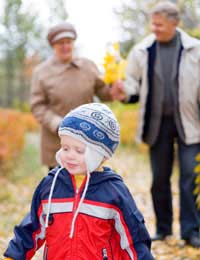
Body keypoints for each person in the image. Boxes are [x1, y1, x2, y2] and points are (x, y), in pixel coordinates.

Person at [3, 103, 154, 260]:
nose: (70, 155)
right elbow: (30, 229)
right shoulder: (50, 186)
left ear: (101, 154)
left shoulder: (114, 191)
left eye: (79, 150)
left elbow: (134, 240)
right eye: (65, 148)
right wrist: (14, 256)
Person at [111, 1, 200, 248]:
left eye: (159, 24)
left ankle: (192, 231)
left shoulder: (195, 50)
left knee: (190, 177)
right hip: (156, 124)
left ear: (175, 23)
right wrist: (122, 92)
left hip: (190, 123)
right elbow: (133, 87)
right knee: (159, 178)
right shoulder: (142, 50)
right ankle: (163, 229)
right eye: (153, 23)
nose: (155, 28)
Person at [30, 22, 113, 170]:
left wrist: (116, 90)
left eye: (68, 42)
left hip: (88, 141)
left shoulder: (88, 66)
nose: (65, 46)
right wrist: (58, 123)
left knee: (89, 189)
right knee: (61, 189)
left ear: (73, 43)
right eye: (60, 43)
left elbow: (104, 93)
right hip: (57, 143)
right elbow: (37, 106)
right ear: (53, 45)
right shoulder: (42, 72)